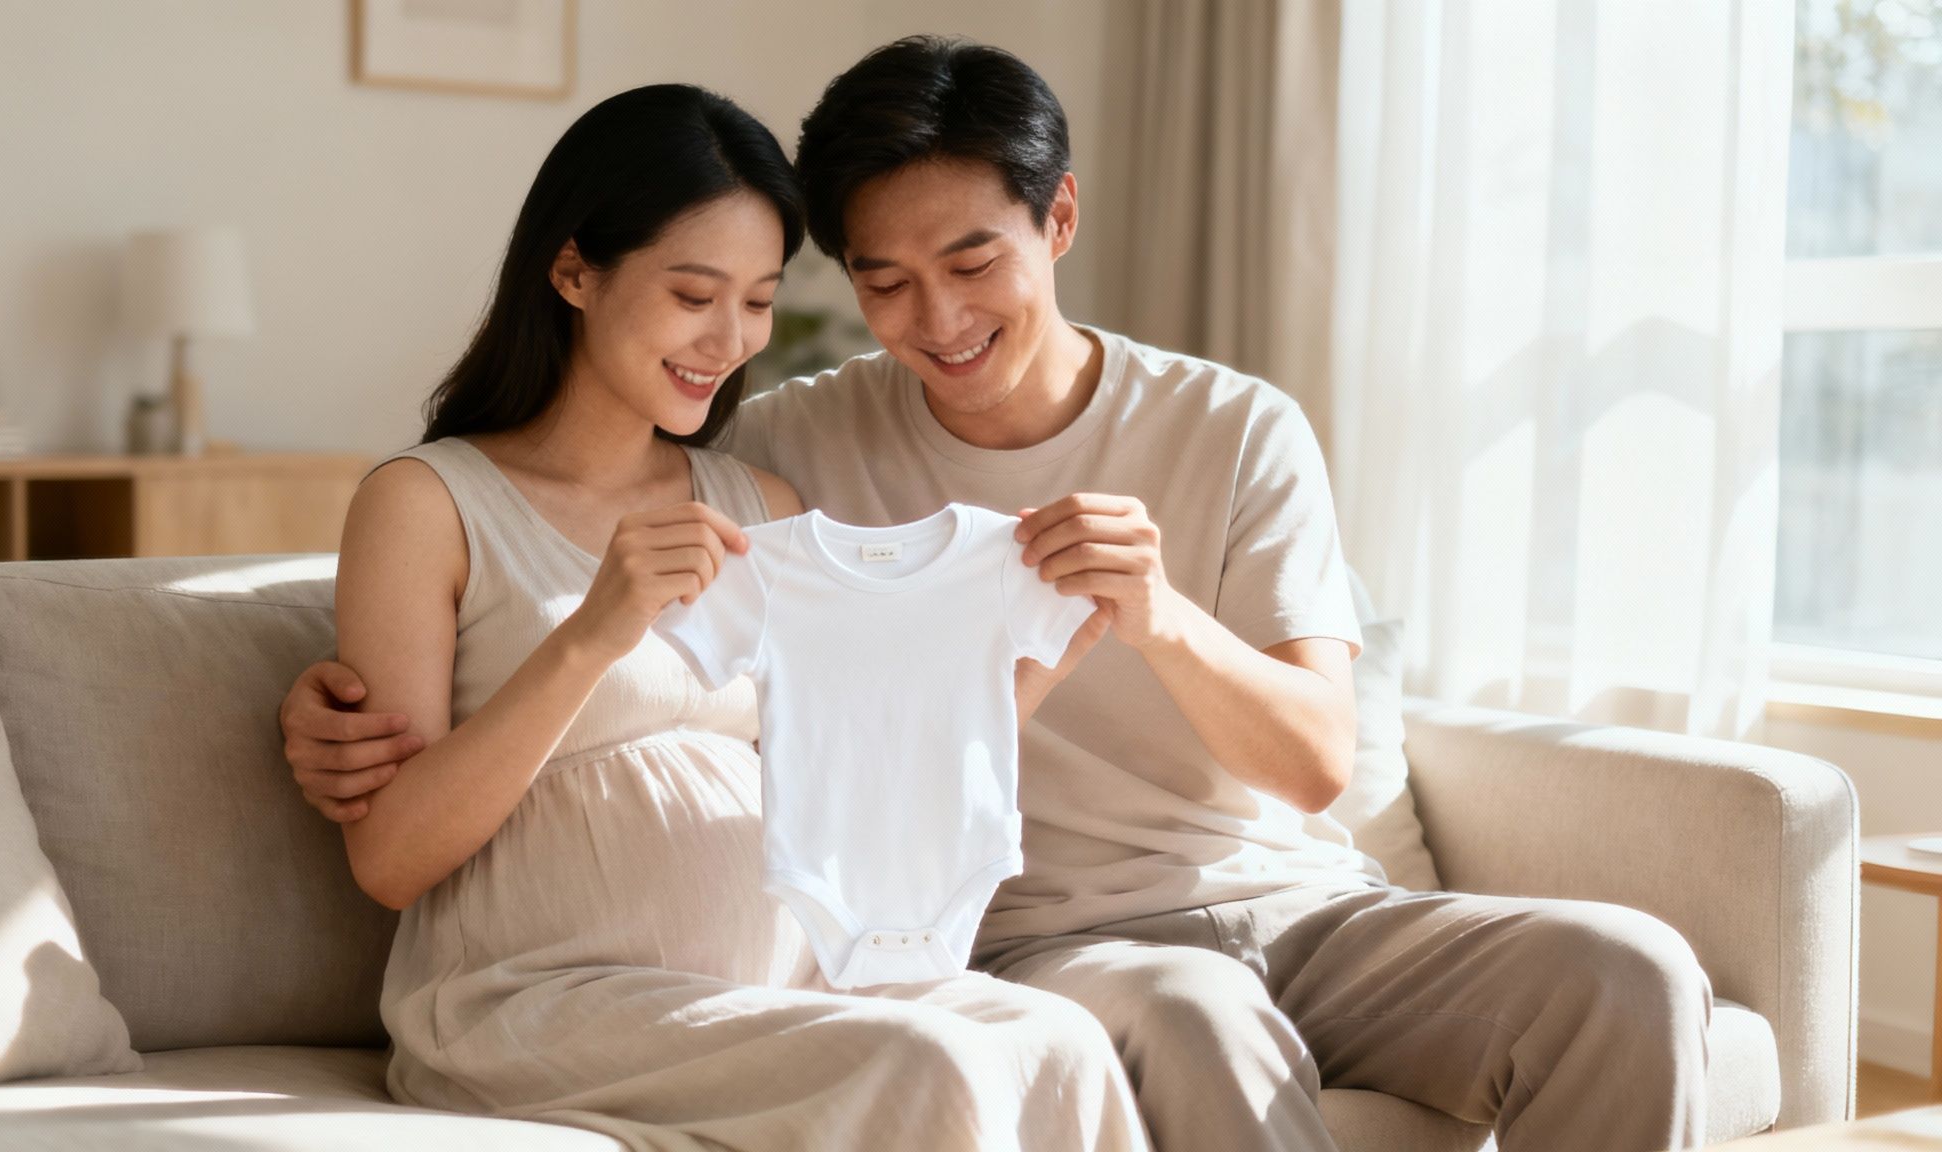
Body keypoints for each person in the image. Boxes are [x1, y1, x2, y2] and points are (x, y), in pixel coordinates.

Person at [288, 41, 1713, 1152]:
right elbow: (531, 620)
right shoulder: (785, 448)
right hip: (1022, 937)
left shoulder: (1218, 430)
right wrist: (326, 683)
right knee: (1158, 1025)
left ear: (1060, 218)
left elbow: (1305, 764)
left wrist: (1146, 618)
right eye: (885, 282)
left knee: (1632, 974)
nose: (937, 320)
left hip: (1257, 905)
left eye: (972, 261)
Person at [318, 81, 1147, 1152]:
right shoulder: (426, 504)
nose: (728, 339)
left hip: (785, 985)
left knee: (1055, 1042)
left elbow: (856, 774)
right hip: (535, 1000)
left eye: (756, 300)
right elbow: (388, 861)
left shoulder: (757, 504)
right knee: (922, 1064)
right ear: (572, 270)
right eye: (693, 293)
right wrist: (590, 636)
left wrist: (1038, 660)